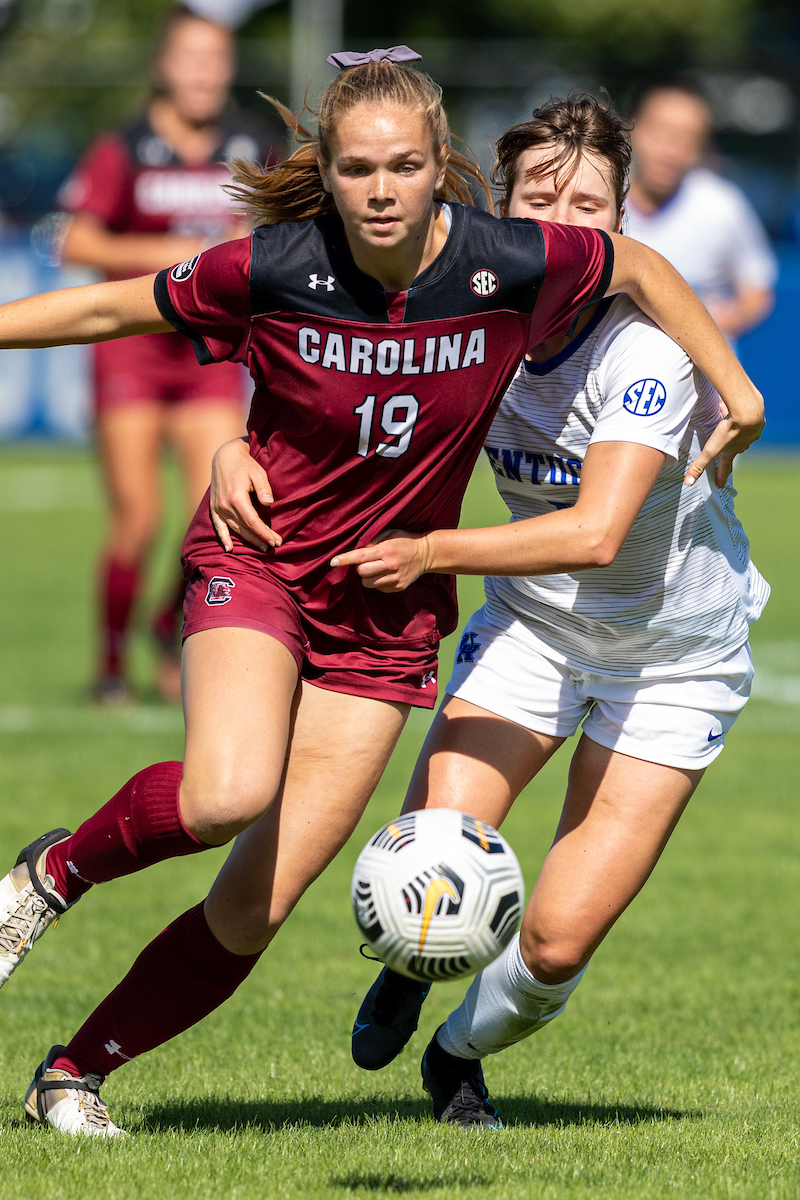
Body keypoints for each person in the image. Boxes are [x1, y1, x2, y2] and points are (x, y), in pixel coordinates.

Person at [0, 55, 764, 1140]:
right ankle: (58, 869)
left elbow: (636, 265)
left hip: (396, 609)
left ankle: (71, 1076)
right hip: (263, 557)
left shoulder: (515, 269)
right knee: (226, 792)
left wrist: (733, 389)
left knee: (253, 903)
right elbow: (110, 307)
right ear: (331, 170)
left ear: (438, 167)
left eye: (403, 166)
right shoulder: (276, 263)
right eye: (356, 168)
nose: (380, 189)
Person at [291, 95, 764, 1131]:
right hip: (533, 634)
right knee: (430, 851)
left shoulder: (646, 354)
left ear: (618, 226)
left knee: (553, 943)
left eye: (586, 206)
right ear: (496, 211)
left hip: (671, 660)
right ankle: (410, 966)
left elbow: (593, 534)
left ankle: (456, 1055)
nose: (559, 224)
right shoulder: (469, 318)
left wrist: (430, 551)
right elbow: (319, 386)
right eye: (537, 201)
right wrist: (235, 449)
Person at [58, 5, 280, 704]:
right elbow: (76, 242)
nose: (204, 74)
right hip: (131, 354)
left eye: (216, 60)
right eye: (191, 59)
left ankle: (163, 629)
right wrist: (168, 253)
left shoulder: (252, 145)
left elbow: (281, 229)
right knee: (138, 518)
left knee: (215, 519)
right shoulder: (124, 147)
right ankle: (109, 669)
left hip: (206, 357)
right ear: (163, 66)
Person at [625, 79, 777, 343]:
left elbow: (758, 290)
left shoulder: (722, 205)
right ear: (633, 129)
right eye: (660, 132)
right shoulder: (598, 200)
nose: (670, 150)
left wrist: (706, 328)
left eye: (688, 138)